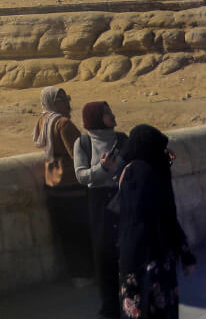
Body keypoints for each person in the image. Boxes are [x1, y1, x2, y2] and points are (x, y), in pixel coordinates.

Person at [117, 124, 197, 317]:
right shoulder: (149, 174)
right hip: (154, 256)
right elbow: (166, 217)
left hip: (131, 256)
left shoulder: (127, 170)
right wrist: (186, 255)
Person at [34, 85, 92, 283]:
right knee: (81, 231)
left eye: (67, 99)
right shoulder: (63, 124)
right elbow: (77, 154)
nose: (68, 104)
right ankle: (86, 273)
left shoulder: (43, 121)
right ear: (53, 103)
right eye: (63, 100)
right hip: (71, 185)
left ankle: (77, 274)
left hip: (53, 183)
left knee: (66, 233)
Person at [76, 101, 128, 318]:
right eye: (107, 113)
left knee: (127, 252)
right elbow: (81, 175)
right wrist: (103, 168)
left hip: (122, 197)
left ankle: (131, 302)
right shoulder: (84, 143)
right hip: (99, 202)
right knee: (104, 254)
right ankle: (110, 307)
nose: (112, 115)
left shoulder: (122, 139)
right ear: (96, 117)